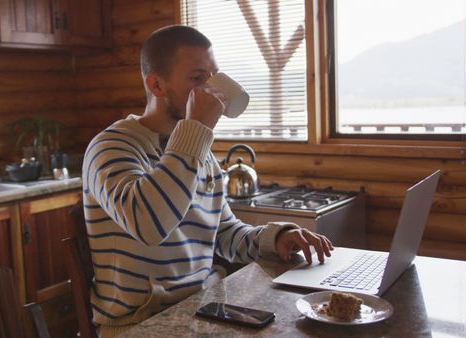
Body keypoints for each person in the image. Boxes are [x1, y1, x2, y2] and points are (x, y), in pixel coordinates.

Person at [82, 25, 333, 337]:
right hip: (140, 324)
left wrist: (277, 237)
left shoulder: (199, 153)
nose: (212, 90)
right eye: (197, 78)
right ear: (156, 84)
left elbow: (223, 234)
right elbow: (149, 225)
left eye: (213, 77)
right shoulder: (111, 147)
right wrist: (196, 129)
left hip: (203, 309)